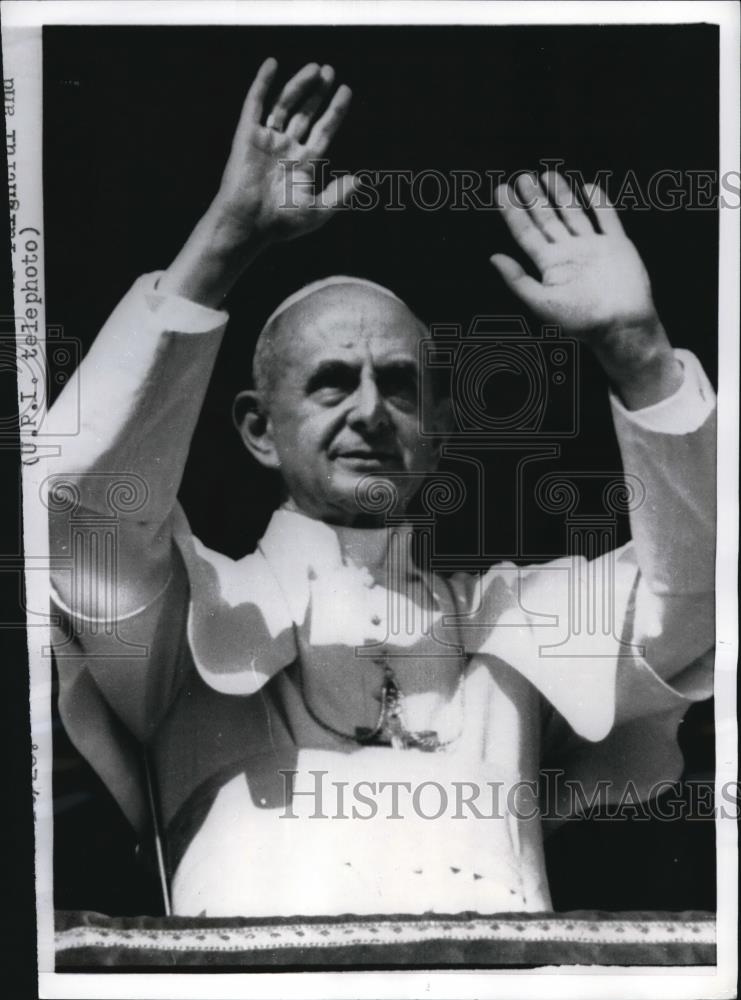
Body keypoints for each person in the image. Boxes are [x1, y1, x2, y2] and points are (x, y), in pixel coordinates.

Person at [48, 59, 715, 917]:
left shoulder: (515, 625)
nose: (370, 411)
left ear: (438, 434)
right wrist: (219, 247)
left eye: (400, 385)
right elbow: (80, 512)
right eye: (331, 383)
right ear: (257, 428)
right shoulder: (188, 620)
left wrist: (639, 353)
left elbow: (705, 587)